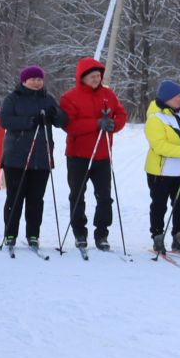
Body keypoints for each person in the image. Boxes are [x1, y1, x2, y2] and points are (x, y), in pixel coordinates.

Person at [59, 56, 127, 251]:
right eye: (92, 76)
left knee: (104, 197)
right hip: (78, 155)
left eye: (98, 76)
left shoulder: (108, 94)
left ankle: (102, 233)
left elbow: (120, 114)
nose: (96, 79)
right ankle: (80, 232)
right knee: (78, 195)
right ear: (82, 77)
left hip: (102, 155)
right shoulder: (69, 97)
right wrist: (95, 124)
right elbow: (69, 125)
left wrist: (115, 124)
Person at [0, 64, 67, 249]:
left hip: (41, 157)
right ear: (24, 80)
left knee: (36, 199)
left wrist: (56, 114)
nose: (37, 82)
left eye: (39, 79)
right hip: (16, 157)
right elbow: (4, 120)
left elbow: (61, 122)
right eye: (33, 79)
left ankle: (33, 234)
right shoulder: (13, 98)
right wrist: (30, 121)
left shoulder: (48, 99)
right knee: (15, 198)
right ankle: (10, 233)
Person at [143, 79, 180, 253]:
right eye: (177, 96)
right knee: (159, 205)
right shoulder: (155, 118)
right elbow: (159, 146)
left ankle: (178, 239)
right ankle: (157, 238)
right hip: (160, 171)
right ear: (167, 98)